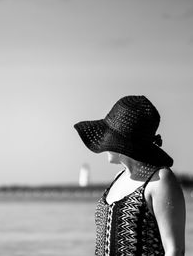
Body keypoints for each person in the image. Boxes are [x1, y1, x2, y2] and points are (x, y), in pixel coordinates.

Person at [74, 95, 185, 256]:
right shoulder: (119, 177)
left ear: (123, 141)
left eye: (108, 137)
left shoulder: (160, 180)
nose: (104, 145)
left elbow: (175, 250)